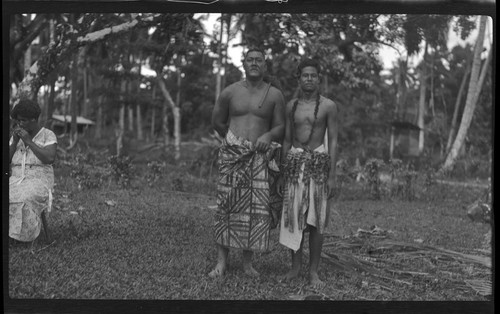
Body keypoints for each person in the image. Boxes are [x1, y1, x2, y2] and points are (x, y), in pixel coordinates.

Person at [210, 48, 285, 277]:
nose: (254, 63)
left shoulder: (274, 95)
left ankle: (247, 263)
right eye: (250, 59)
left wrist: (268, 136)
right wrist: (235, 142)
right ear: (243, 63)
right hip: (234, 156)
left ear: (265, 65)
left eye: (258, 60)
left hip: (259, 159)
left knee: (254, 211)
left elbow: (281, 127)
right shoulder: (230, 92)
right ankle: (221, 263)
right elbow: (218, 121)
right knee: (227, 206)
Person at [278, 58, 338, 288]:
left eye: (313, 75)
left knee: (317, 220)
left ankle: (313, 271)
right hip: (294, 165)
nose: (309, 79)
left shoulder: (328, 106)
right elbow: (285, 140)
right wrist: (283, 171)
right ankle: (295, 268)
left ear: (319, 78)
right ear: (299, 78)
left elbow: (333, 140)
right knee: (295, 218)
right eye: (305, 75)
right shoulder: (291, 106)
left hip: (319, 165)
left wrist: (332, 175)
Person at [9, 99, 58, 242]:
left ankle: (21, 238)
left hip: (39, 181)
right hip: (15, 179)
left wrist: (29, 141)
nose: (20, 124)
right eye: (18, 121)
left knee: (23, 198)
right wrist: (14, 142)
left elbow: (49, 158)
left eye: (23, 120)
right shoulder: (15, 137)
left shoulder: (48, 135)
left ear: (34, 119)